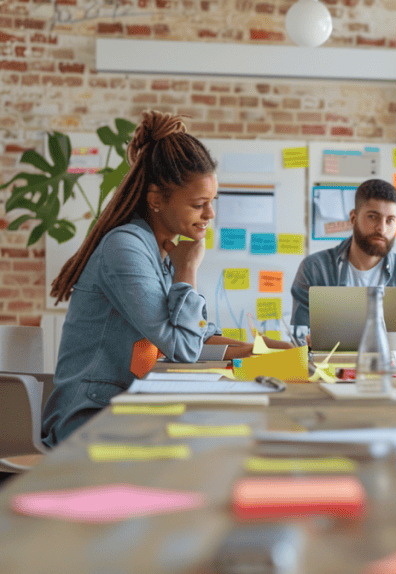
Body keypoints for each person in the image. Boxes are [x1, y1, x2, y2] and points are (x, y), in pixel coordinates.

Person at [42, 111, 275, 447]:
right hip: (88, 418)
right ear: (155, 200)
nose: (210, 215)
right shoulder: (126, 247)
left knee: (226, 432)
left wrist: (271, 352)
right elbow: (183, 348)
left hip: (129, 405)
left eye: (212, 202)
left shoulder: (160, 249)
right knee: (219, 441)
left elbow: (198, 336)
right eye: (199, 204)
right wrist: (188, 270)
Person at [290, 178, 396, 340]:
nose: (382, 228)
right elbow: (299, 337)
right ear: (353, 218)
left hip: (391, 365)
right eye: (373, 217)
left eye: (390, 220)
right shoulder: (314, 268)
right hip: (328, 364)